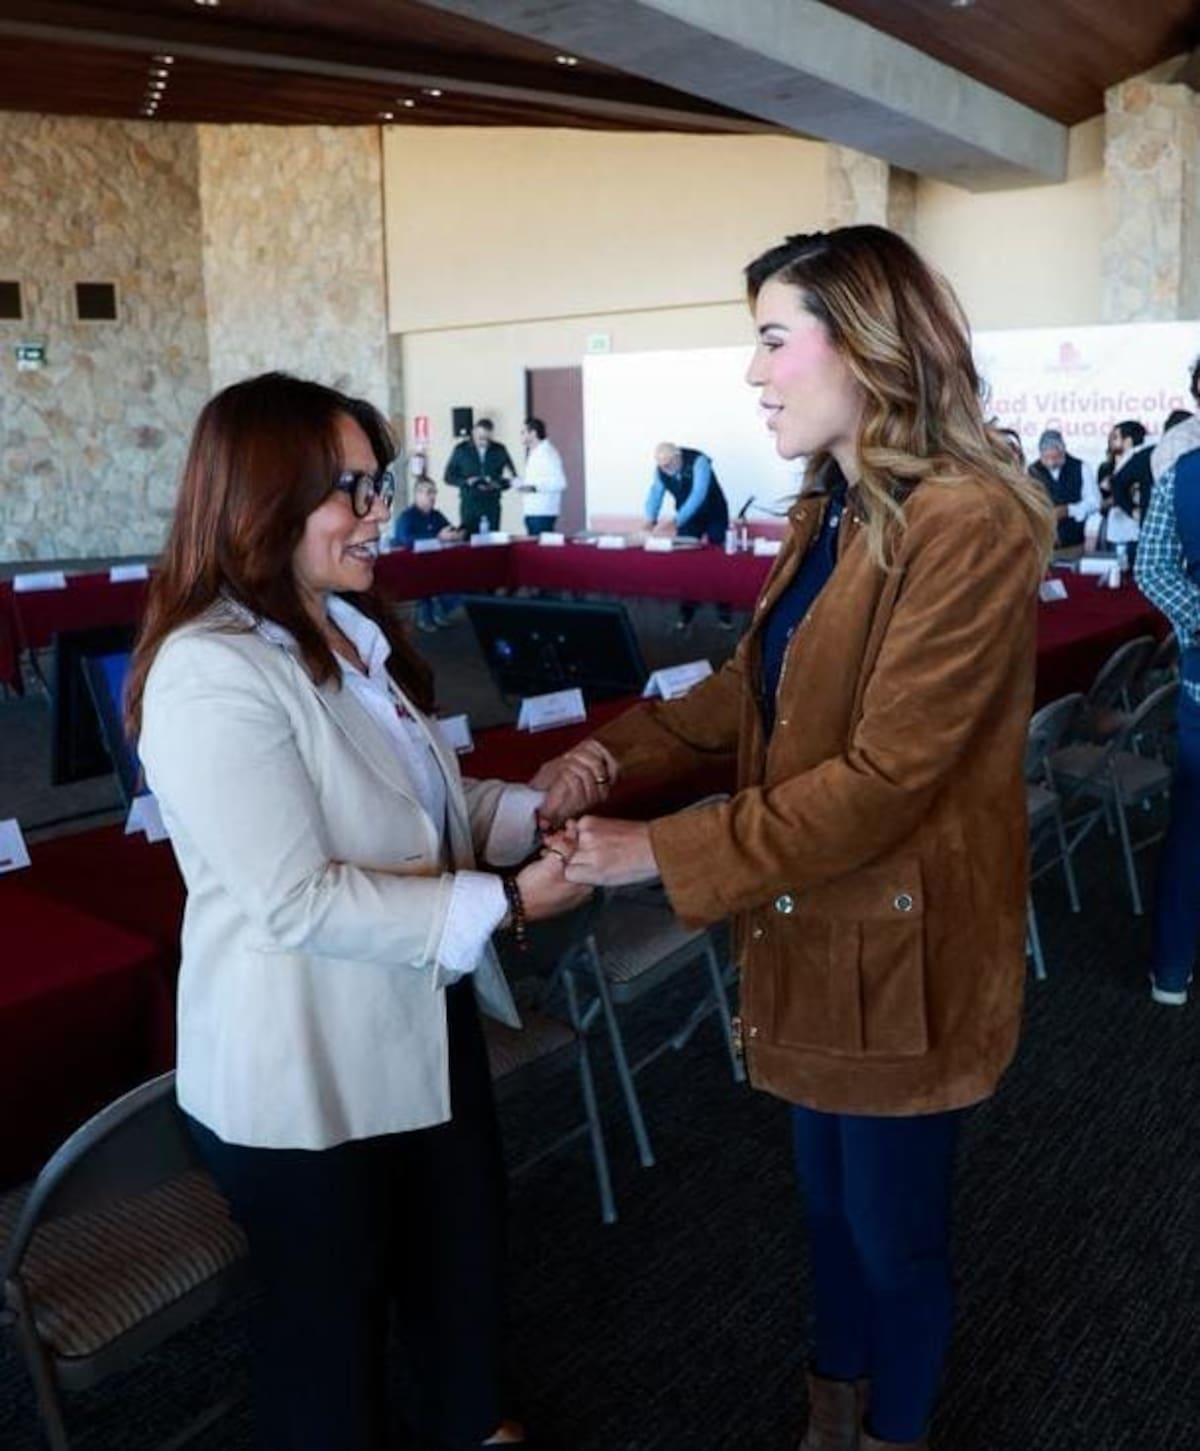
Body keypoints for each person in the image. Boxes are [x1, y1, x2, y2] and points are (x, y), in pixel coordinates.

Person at [532, 226, 1054, 1451]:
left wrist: (652, 851)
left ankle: (891, 1431)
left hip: (903, 955)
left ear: (866, 346)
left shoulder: (965, 520)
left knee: (895, 1239)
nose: (753, 372)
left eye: (772, 338)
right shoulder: (833, 501)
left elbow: (883, 780)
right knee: (826, 1218)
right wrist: (612, 751)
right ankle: (831, 1415)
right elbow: (749, 687)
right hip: (812, 930)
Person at [126, 372, 590, 1451]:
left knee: (460, 1270)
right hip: (307, 1073)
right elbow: (296, 896)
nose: (379, 510)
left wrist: (535, 806)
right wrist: (516, 899)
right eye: (352, 488)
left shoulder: (342, 635)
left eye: (378, 484)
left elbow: (419, 809)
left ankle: (477, 1419)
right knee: (327, 1345)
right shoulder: (209, 671)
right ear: (263, 496)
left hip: (422, 1020)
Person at [1135, 405, 1200, 1006]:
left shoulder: (1183, 473)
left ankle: (1172, 970)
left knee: (1190, 829)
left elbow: (1152, 567)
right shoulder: (1181, 470)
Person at [644, 442, 733, 628]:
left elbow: (698, 495)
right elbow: (656, 493)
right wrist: (649, 519)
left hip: (714, 513)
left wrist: (675, 521)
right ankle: (687, 610)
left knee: (718, 560)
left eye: (668, 464)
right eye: (661, 465)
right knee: (686, 561)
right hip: (688, 517)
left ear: (678, 458)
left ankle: (724, 612)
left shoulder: (699, 462)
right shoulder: (661, 469)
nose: (664, 468)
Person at [393, 477, 465, 631]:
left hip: (437, 563)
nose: (433, 496)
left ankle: (439, 610)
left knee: (465, 573)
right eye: (429, 492)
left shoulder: (436, 515)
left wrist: (457, 534)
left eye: (434, 492)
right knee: (426, 577)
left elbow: (449, 530)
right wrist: (437, 537)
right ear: (417, 494)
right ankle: (426, 614)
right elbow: (405, 540)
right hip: (412, 566)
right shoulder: (407, 516)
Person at [1028, 427, 1100, 551]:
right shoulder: (1032, 471)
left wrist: (1069, 510)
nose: (1051, 463)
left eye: (1055, 457)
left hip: (1073, 542)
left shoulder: (1081, 467)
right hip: (1042, 544)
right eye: (1046, 458)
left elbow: (1095, 502)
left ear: (1063, 452)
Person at [444, 418, 516, 535]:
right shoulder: (461, 450)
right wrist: (466, 481)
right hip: (470, 503)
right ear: (473, 433)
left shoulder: (499, 450)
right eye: (481, 438)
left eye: (488, 439)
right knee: (469, 539)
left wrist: (498, 484)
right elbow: (448, 477)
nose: (484, 442)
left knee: (493, 541)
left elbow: (512, 477)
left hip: (492, 503)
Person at [515, 417, 567, 535]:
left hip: (543, 511)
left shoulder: (547, 453)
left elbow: (560, 483)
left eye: (523, 432)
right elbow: (537, 479)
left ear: (533, 433)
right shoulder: (534, 452)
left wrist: (534, 488)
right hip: (532, 511)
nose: (521, 436)